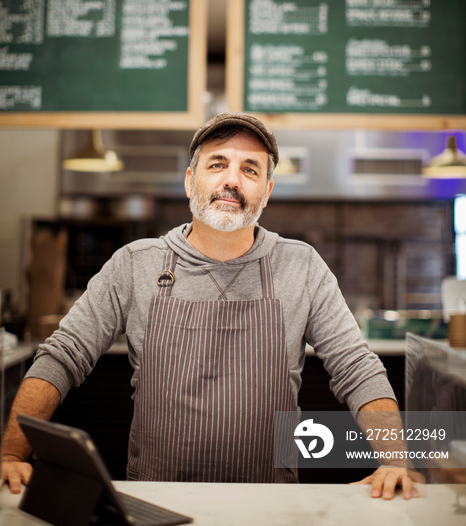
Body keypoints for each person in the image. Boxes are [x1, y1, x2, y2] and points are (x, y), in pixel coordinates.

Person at [2, 112, 417, 498]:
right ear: (189, 182)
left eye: (250, 169)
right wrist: (12, 454)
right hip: (157, 502)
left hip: (271, 504)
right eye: (217, 164)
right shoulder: (135, 264)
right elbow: (62, 355)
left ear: (267, 192)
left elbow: (357, 368)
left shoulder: (301, 266)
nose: (232, 180)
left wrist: (395, 459)